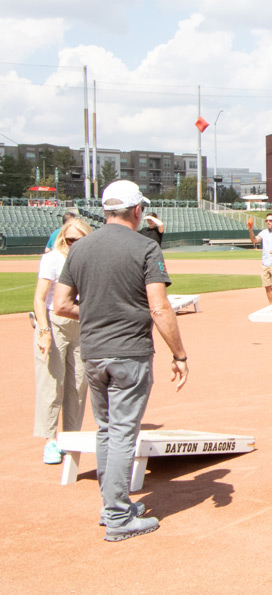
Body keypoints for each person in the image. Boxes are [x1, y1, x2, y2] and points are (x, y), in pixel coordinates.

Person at [53, 180, 190, 542]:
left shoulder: (80, 248)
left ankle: (111, 505)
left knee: (106, 429)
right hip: (129, 351)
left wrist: (98, 313)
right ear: (136, 211)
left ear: (105, 210)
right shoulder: (146, 247)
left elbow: (61, 304)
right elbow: (159, 307)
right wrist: (179, 354)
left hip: (93, 352)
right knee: (124, 433)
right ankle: (117, 516)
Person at [32, 218, 93, 465]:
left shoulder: (91, 260)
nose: (73, 244)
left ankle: (70, 438)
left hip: (81, 324)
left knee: (78, 384)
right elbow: (39, 298)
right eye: (69, 240)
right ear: (62, 239)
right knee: (52, 383)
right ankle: (50, 440)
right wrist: (44, 330)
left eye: (78, 240)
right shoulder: (53, 259)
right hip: (54, 323)